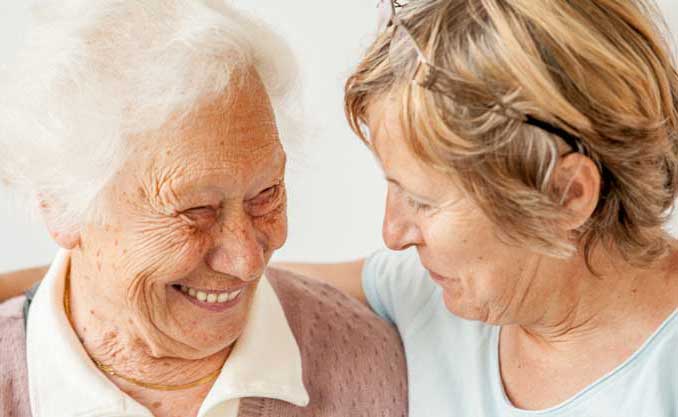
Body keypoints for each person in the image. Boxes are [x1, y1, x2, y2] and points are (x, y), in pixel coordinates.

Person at [0, 2, 407, 417]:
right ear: (61, 205)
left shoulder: (372, 366)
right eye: (197, 210)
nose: (247, 261)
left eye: (266, 194)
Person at [280, 0, 678, 416]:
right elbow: (244, 287)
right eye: (393, 188)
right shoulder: (427, 293)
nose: (393, 234)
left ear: (566, 195)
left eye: (421, 200)